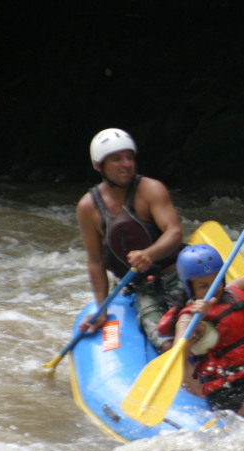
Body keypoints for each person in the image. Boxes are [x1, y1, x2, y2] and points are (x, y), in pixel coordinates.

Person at [157, 186, 244, 418]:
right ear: (190, 289)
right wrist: (198, 322)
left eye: (216, 281)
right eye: (203, 286)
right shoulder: (189, 317)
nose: (212, 289)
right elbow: (177, 357)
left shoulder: (235, 292)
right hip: (230, 393)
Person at [76, 128, 185, 351]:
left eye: (129, 157)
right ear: (99, 166)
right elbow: (96, 261)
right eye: (117, 159)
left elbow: (174, 232)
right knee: (163, 342)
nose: (126, 164)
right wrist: (101, 308)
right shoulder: (88, 207)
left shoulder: (151, 189)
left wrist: (149, 254)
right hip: (143, 287)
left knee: (208, 321)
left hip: (177, 272)